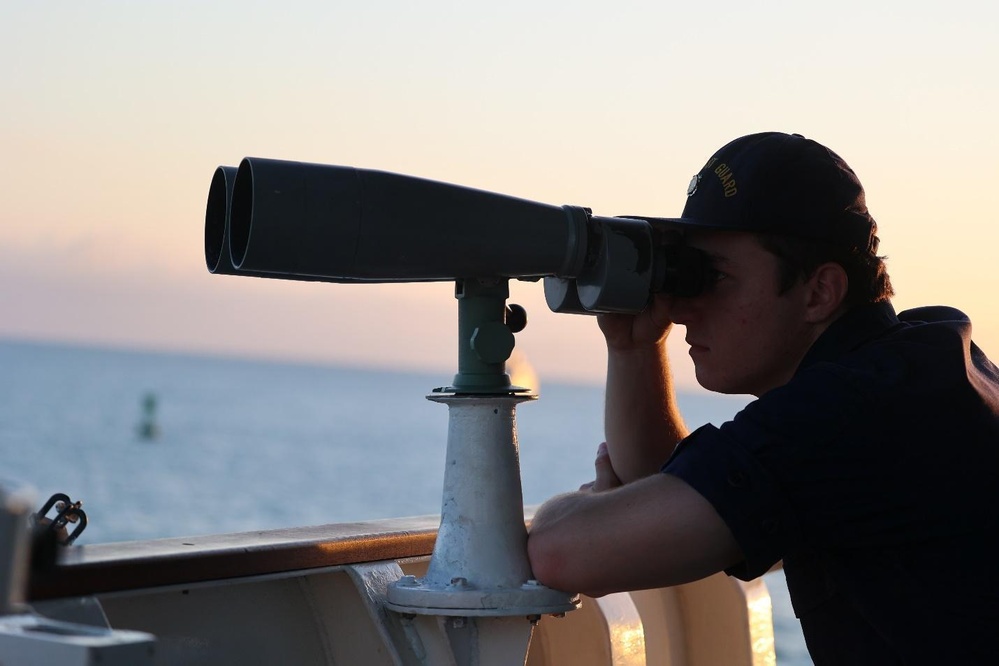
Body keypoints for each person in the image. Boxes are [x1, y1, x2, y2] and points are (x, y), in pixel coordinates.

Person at [526, 131, 999, 664]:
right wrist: (636, 348)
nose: (682, 307)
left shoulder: (848, 411)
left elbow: (560, 553)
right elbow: (676, 498)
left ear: (819, 292)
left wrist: (579, 508)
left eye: (715, 276)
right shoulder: (921, 365)